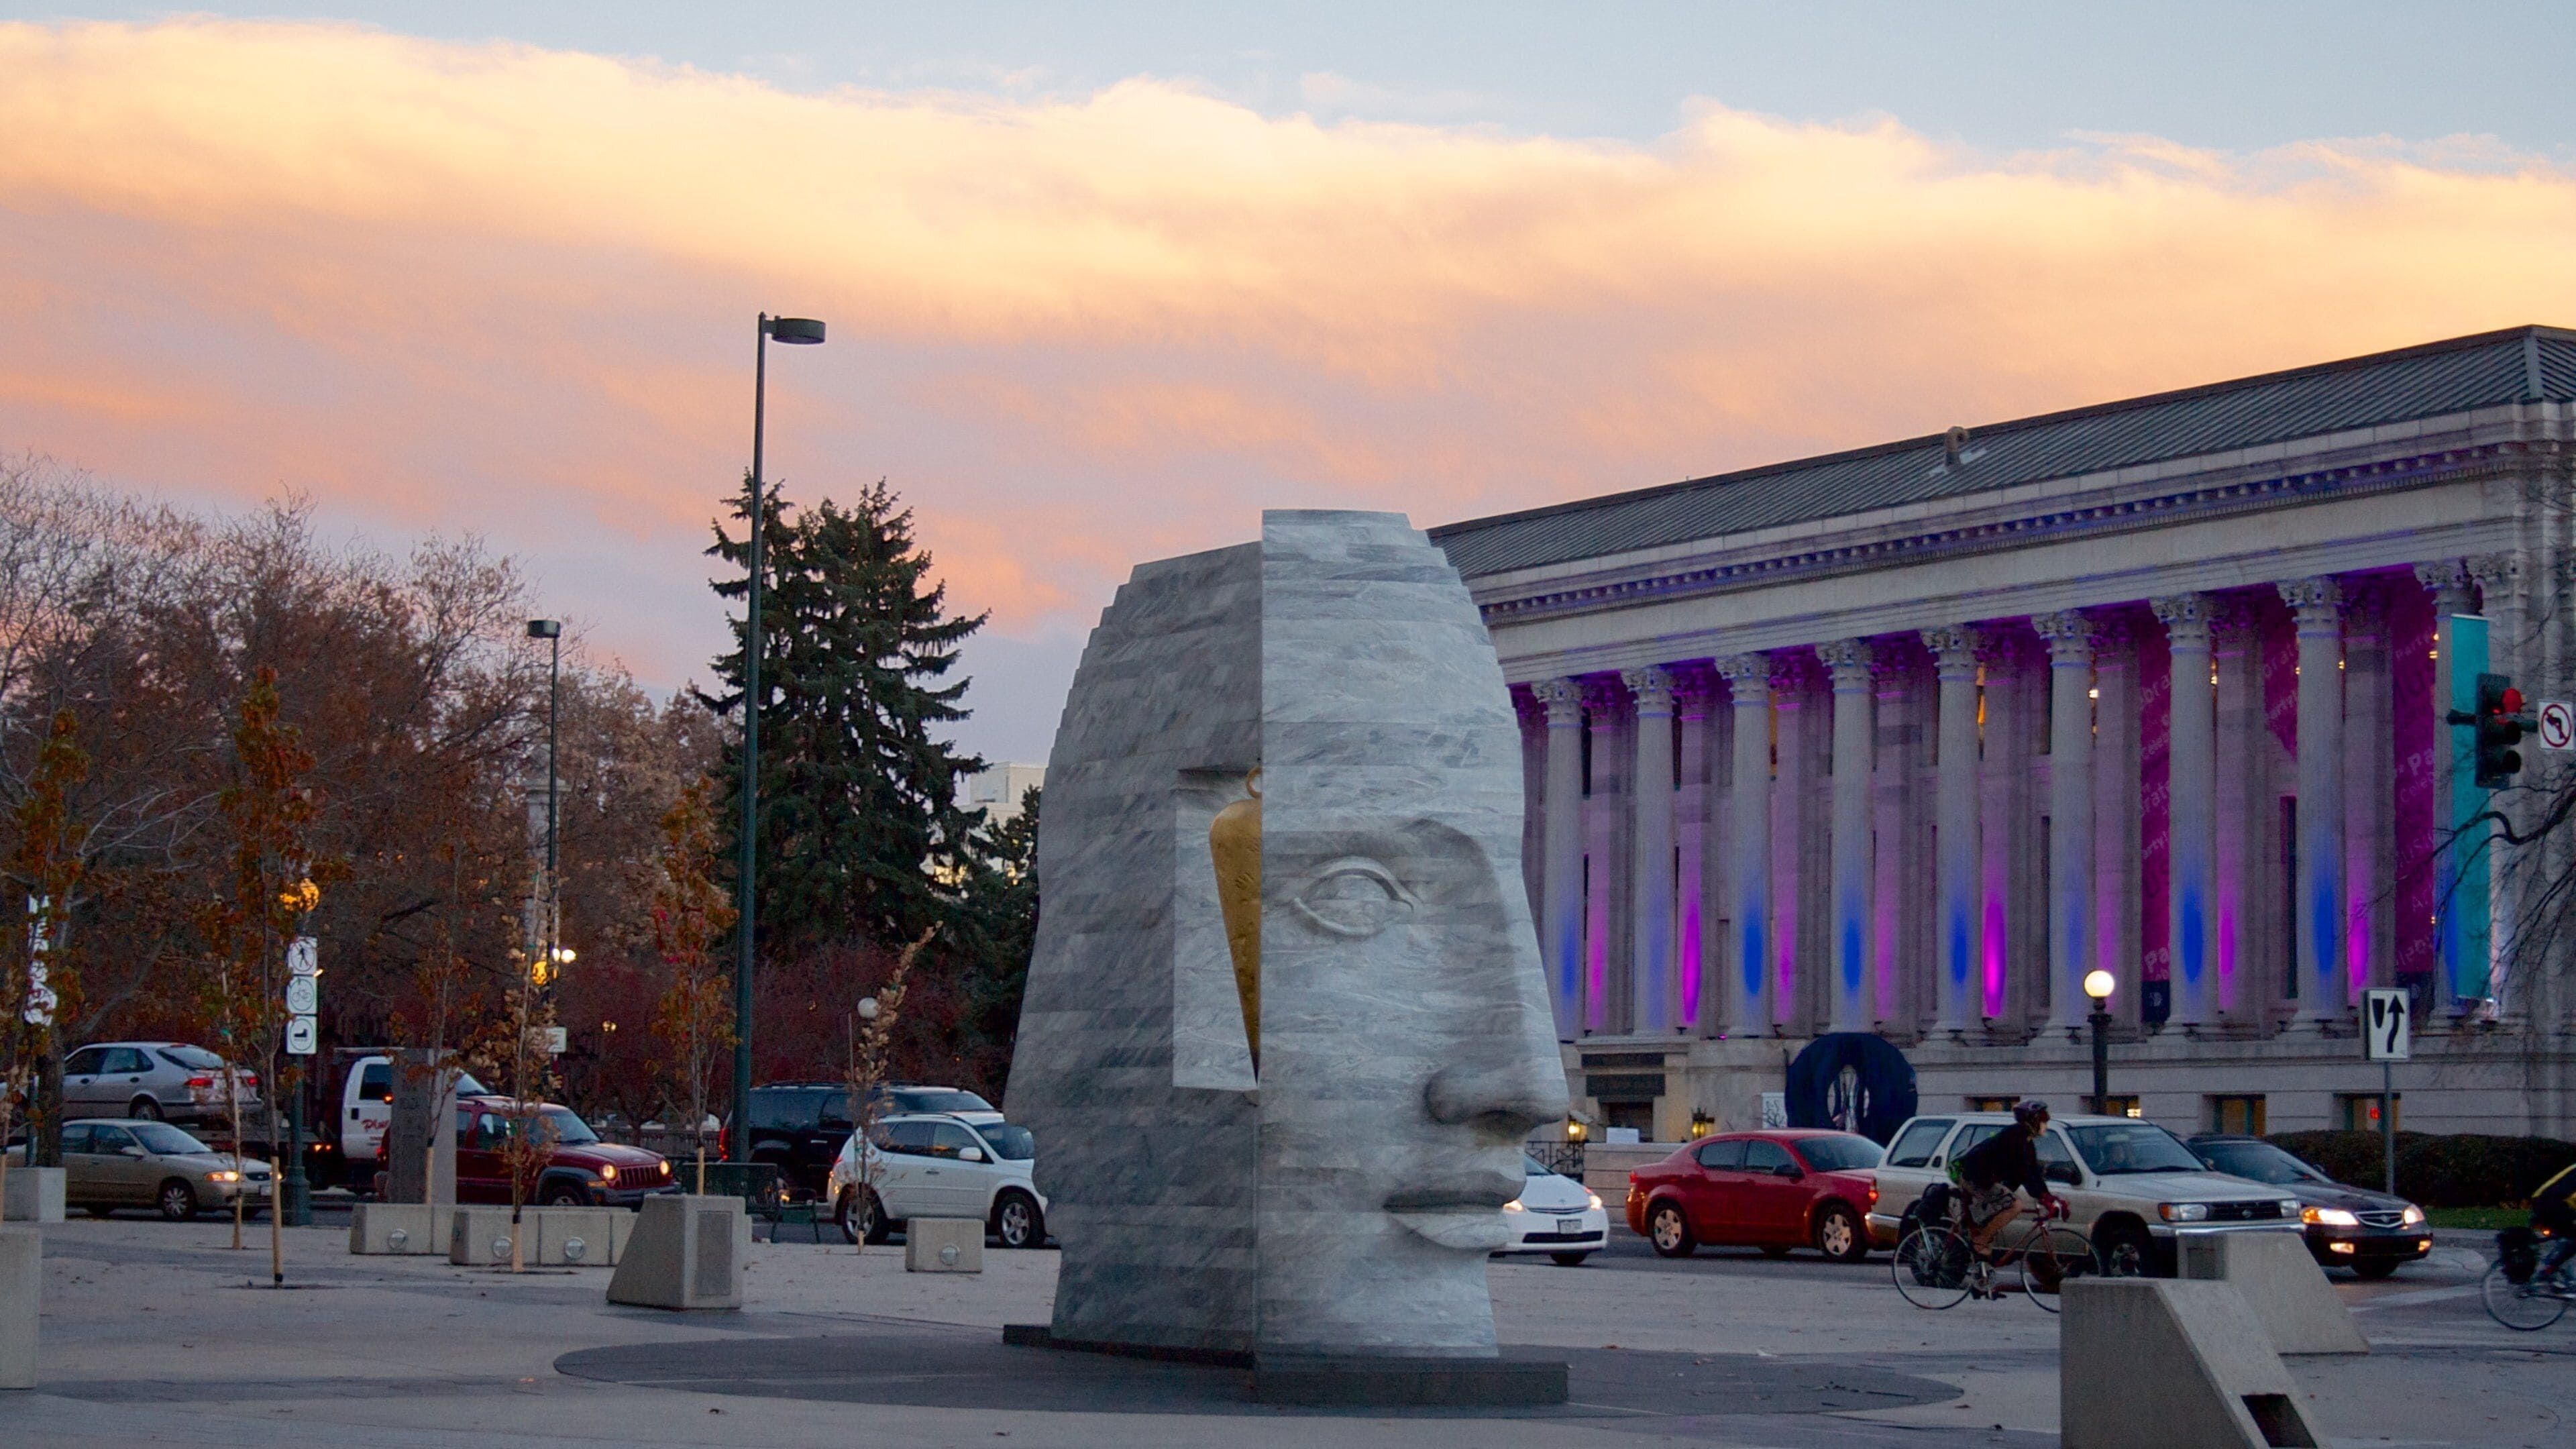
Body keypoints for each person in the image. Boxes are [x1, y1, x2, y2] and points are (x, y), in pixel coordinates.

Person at [1949, 1100, 2068, 1295]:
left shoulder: (2026, 1140)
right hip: (1974, 1176)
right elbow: (2024, 1173)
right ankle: (1980, 1241)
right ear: (2032, 1121)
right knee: (2015, 1205)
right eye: (2043, 1120)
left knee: (1993, 1221)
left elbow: (2034, 1173)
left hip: (1986, 1179)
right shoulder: (2015, 1138)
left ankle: (1982, 1284)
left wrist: (2048, 1196)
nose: (2046, 1125)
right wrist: (2042, 1197)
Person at [2531, 1159, 2576, 1286]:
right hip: (2552, 1204)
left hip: (2544, 1201)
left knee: (2567, 1238)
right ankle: (2549, 1270)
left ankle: (2556, 1273)